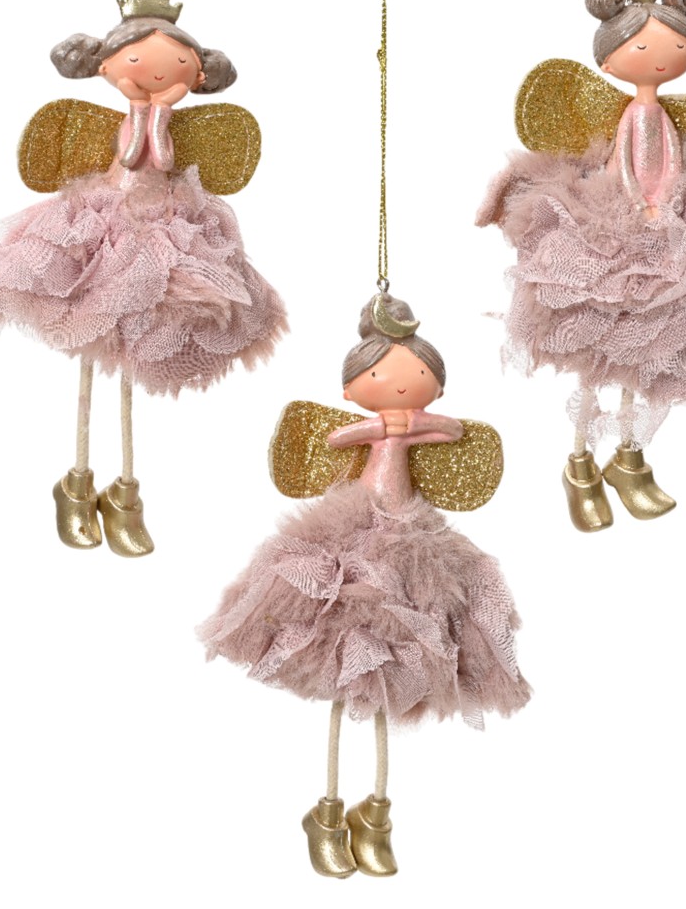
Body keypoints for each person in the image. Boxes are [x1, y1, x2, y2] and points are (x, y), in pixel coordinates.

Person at [200, 294, 531, 878]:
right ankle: (327, 813)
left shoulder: (422, 422)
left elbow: (455, 428)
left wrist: (421, 424)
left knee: (390, 680)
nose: (402, 386)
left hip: (414, 539)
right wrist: (378, 428)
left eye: (419, 377)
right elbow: (334, 441)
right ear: (352, 388)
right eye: (382, 377)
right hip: (354, 532)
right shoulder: (369, 424)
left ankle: (375, 815)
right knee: (344, 673)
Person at [0, 0, 286, 556]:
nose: (156, 74)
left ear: (196, 74)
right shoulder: (132, 117)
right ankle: (75, 482)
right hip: (105, 221)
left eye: (177, 68)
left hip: (164, 224)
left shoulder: (158, 115)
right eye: (137, 63)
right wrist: (145, 109)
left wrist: (160, 111)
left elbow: (164, 157)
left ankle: (125, 494)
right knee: (91, 347)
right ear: (107, 65)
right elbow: (134, 156)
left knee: (136, 350)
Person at [478, 0, 686, 531]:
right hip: (632, 217)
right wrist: (644, 203)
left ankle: (629, 459)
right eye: (643, 47)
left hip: (661, 219)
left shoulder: (657, 114)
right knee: (600, 350)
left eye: (676, 47)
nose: (662, 58)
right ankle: (580, 465)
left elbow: (670, 164)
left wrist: (667, 202)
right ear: (611, 59)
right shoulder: (638, 114)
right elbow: (629, 166)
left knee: (645, 348)